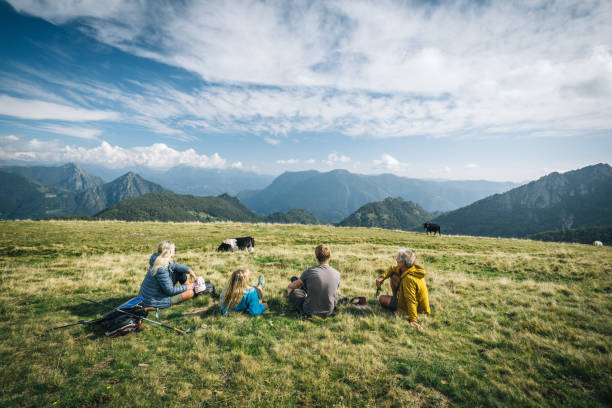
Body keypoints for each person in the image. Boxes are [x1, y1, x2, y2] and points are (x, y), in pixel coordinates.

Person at [376, 248, 430, 330]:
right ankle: (395, 299)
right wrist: (382, 277)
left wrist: (413, 320)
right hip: (416, 305)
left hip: (418, 309)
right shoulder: (410, 269)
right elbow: (392, 269)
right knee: (394, 275)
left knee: (382, 299)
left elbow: (411, 299)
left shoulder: (409, 279)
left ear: (403, 263)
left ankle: (398, 306)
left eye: (398, 258)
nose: (396, 259)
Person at [138, 241, 201, 309]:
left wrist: (190, 271)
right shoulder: (161, 268)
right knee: (190, 293)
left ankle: (190, 288)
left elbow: (175, 266)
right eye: (174, 249)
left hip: (147, 296)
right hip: (153, 301)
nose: (175, 251)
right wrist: (187, 287)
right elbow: (170, 291)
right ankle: (192, 289)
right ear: (168, 252)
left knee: (180, 271)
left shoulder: (159, 259)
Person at [287, 244, 340, 318]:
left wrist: (289, 287)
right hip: (329, 311)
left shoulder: (310, 271)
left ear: (316, 257)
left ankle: (300, 299)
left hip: (309, 311)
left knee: (294, 291)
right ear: (329, 256)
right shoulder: (337, 273)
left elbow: (294, 286)